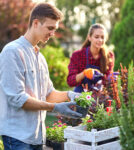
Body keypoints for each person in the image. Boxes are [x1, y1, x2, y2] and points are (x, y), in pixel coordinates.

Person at [0, 3, 82, 150]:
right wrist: (56, 108)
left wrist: (71, 95)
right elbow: (17, 98)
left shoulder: (40, 57)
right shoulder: (12, 52)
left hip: (37, 137)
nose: (52, 33)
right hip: (18, 137)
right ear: (36, 23)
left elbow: (48, 94)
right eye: (50, 28)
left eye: (55, 29)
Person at [67, 23, 116, 92]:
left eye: (102, 37)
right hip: (81, 95)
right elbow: (70, 81)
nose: (100, 40)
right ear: (89, 37)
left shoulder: (109, 56)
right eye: (96, 37)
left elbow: (107, 81)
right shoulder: (78, 55)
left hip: (99, 96)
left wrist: (111, 79)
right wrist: (84, 73)